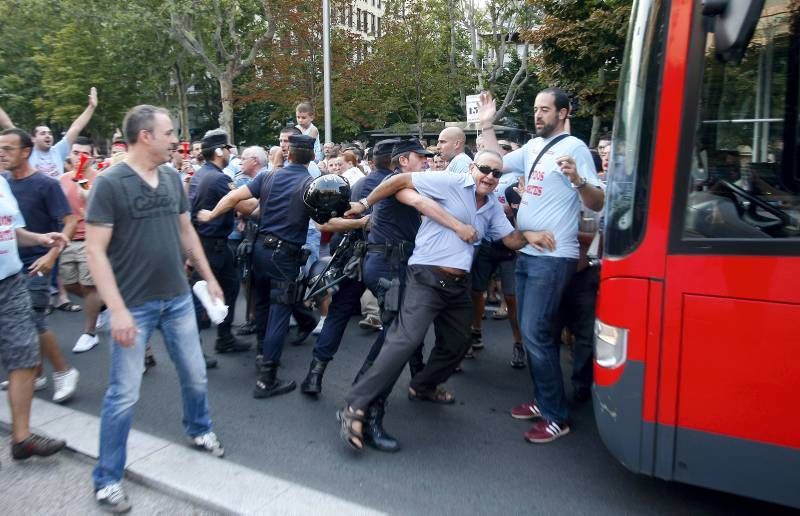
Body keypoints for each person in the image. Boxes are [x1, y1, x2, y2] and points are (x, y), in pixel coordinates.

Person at [337, 150, 530, 451]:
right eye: (485, 169)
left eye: (496, 173)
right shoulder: (451, 181)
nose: (490, 177)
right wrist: (363, 203)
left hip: (458, 285)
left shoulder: (492, 205)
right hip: (426, 276)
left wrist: (538, 228)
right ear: (471, 168)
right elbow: (400, 180)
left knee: (459, 342)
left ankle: (423, 385)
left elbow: (511, 240)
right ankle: (354, 407)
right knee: (405, 339)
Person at [86, 105, 226, 513]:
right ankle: (107, 478)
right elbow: (94, 251)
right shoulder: (109, 184)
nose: (174, 139)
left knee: (196, 376)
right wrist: (118, 310)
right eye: (168, 132)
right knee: (123, 395)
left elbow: (186, 231)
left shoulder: (170, 177)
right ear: (145, 136)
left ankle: (199, 430)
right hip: (133, 306)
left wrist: (209, 276)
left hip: (178, 299)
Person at [478, 88, 604, 443]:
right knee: (539, 335)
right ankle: (545, 400)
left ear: (563, 113)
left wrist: (578, 180)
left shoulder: (576, 147)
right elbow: (495, 160)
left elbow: (598, 203)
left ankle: (555, 416)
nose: (537, 115)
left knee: (535, 334)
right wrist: (487, 124)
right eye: (535, 109)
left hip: (553, 257)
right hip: (528, 253)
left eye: (544, 110)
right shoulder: (533, 147)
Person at [198, 134, 317, 399]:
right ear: (311, 157)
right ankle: (267, 379)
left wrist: (210, 214)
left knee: (262, 305)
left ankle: (262, 353)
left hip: (259, 252)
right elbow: (327, 223)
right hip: (283, 257)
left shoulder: (268, 177)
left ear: (289, 154)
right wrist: (360, 221)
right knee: (279, 313)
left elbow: (232, 199)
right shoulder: (310, 184)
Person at [0, 128, 80, 403]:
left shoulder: (46, 184)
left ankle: (64, 371)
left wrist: (52, 256)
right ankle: (34, 374)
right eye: (0, 148)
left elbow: (69, 221)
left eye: (8, 148)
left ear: (25, 152)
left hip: (38, 261)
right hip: (9, 263)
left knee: (33, 319)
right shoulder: (3, 182)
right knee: (19, 324)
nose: (2, 153)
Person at [188, 129, 250, 356]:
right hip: (211, 246)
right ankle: (193, 352)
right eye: (226, 149)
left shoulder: (200, 174)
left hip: (210, 245)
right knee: (200, 297)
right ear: (217, 151)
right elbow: (244, 206)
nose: (229, 152)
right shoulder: (219, 178)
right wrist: (265, 193)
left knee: (230, 288)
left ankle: (224, 338)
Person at [58, 137, 103, 353]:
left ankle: (89, 332)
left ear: (91, 157)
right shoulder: (62, 179)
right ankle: (102, 304)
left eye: (83, 154)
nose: (78, 157)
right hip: (67, 239)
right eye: (75, 152)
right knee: (68, 284)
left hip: (92, 239)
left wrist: (82, 183)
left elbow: (93, 202)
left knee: (89, 285)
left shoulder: (100, 179)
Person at [27, 87, 98, 178]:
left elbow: (76, 128)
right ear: (33, 138)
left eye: (49, 133)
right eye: (43, 133)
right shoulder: (26, 154)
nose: (48, 136)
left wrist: (91, 107)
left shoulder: (57, 151)